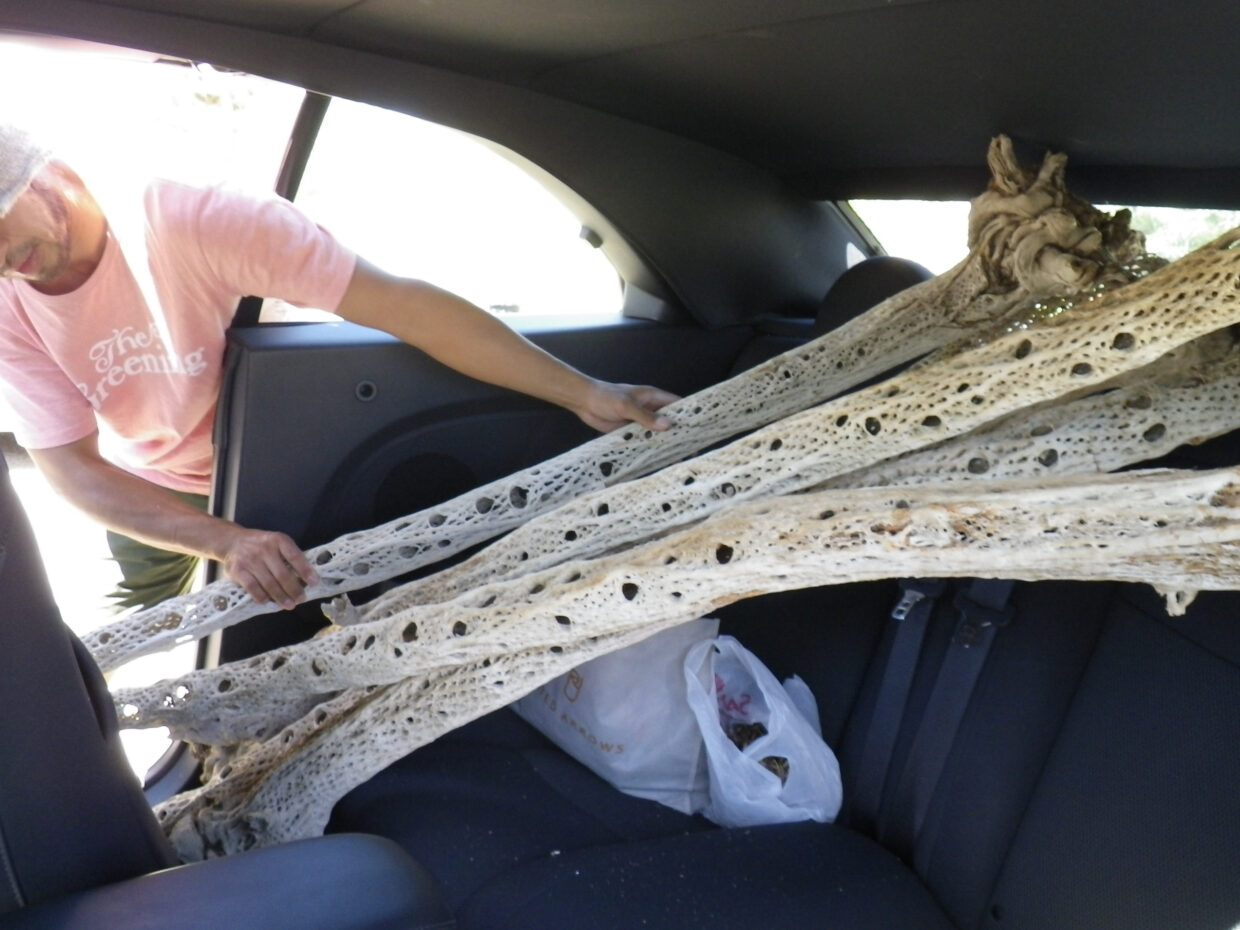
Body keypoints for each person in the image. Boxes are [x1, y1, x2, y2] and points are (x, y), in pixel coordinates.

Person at [0, 124, 677, 613]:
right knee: (136, 643)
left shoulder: (195, 219)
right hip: (147, 489)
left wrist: (584, 392)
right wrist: (222, 541)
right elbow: (70, 465)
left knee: (288, 631)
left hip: (271, 467)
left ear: (39, 173)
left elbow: (406, 308)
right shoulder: (7, 299)